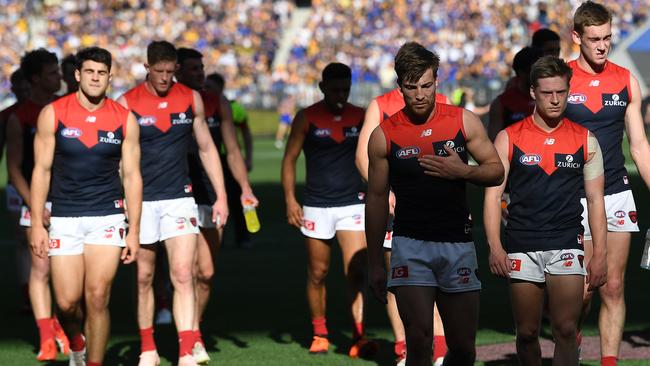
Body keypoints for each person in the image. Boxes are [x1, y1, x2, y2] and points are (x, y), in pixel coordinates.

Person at [366, 42, 504, 366]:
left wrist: (463, 171)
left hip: (457, 242)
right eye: (411, 87)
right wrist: (374, 260)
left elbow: (496, 171)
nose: (419, 95)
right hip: (409, 244)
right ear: (399, 86)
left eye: (426, 85)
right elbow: (374, 198)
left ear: (437, 81)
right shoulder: (384, 135)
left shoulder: (462, 121)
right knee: (418, 340)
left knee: (463, 348)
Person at [484, 56, 608, 366]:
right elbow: (492, 196)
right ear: (532, 93)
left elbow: (595, 200)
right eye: (547, 93)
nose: (555, 100)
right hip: (521, 245)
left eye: (561, 92)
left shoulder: (586, 140)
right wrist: (495, 246)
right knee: (527, 332)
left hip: (566, 242)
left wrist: (600, 254)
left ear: (568, 90)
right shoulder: (508, 138)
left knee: (566, 329)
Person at [118, 41, 229, 366]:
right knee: (144, 277)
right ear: (147, 68)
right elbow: (121, 161)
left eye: (170, 71)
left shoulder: (190, 98)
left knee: (183, 273)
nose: (165, 78)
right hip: (142, 201)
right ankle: (148, 349)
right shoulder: (128, 102)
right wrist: (124, 202)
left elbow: (207, 148)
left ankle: (185, 352)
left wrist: (221, 195)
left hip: (180, 198)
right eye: (159, 71)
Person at [30, 46, 142, 366]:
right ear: (78, 75)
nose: (95, 78)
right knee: (66, 303)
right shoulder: (53, 113)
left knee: (97, 296)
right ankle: (76, 341)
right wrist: (38, 223)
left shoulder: (124, 119)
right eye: (90, 72)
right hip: (64, 216)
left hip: (107, 215)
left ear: (109, 77)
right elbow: (41, 170)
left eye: (102, 73)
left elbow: (133, 177)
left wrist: (133, 230)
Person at [565, 3, 650, 365]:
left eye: (607, 38)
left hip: (616, 191)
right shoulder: (560, 79)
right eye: (594, 39)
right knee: (582, 290)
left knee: (613, 286)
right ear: (577, 38)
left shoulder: (625, 79)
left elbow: (640, 144)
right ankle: (569, 346)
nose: (602, 46)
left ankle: (608, 362)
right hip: (571, 197)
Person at [281, 62, 377, 358]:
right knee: (318, 272)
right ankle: (320, 333)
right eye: (334, 89)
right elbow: (289, 159)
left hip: (352, 203)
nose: (340, 94)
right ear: (322, 88)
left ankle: (358, 336)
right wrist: (290, 200)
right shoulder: (307, 117)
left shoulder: (361, 117)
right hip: (316, 206)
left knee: (357, 270)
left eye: (345, 89)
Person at [356, 87, 450, 366]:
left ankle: (441, 350)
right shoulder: (381, 106)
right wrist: (384, 191)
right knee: (397, 281)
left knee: (438, 279)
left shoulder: (443, 102)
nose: (419, 87)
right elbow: (362, 156)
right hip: (396, 208)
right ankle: (404, 348)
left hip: (436, 207)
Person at [175, 48, 258, 364]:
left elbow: (233, 151)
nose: (200, 73)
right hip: (175, 194)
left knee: (206, 273)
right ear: (178, 70)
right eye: (193, 68)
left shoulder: (216, 101)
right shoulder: (169, 102)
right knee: (183, 271)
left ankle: (192, 328)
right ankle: (190, 336)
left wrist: (245, 188)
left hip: (211, 194)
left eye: (202, 67)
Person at [5, 49, 70, 362]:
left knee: (67, 275)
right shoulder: (20, 117)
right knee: (40, 268)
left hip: (72, 201)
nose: (58, 78)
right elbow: (14, 167)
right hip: (37, 202)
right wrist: (35, 203)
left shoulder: (68, 109)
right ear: (35, 79)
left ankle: (63, 326)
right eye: (51, 73)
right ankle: (47, 336)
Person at [204, 72, 255, 248]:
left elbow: (246, 134)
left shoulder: (235, 108)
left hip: (231, 159)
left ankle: (245, 236)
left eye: (210, 86)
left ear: (221, 88)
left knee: (239, 199)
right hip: (213, 159)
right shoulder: (203, 104)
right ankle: (220, 236)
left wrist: (248, 157)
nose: (206, 89)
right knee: (216, 198)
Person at [1, 69, 31, 314]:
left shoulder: (47, 111)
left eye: (25, 87)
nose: (21, 92)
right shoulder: (6, 116)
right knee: (22, 238)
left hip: (49, 185)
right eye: (17, 88)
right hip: (15, 185)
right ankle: (26, 293)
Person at [487, 46, 543, 141]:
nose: (541, 74)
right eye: (535, 70)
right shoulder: (501, 103)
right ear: (521, 72)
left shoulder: (551, 98)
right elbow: (494, 143)